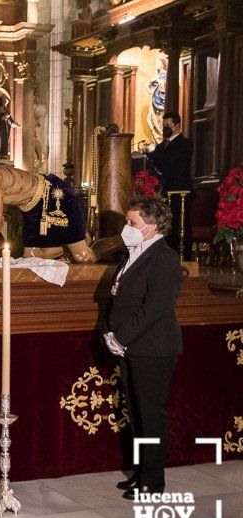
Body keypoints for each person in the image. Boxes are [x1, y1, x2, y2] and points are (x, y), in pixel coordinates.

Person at [104, 197, 182, 499]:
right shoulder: (134, 254)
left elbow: (155, 309)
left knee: (150, 415)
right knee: (136, 414)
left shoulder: (164, 258)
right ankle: (140, 473)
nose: (126, 227)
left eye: (132, 223)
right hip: (129, 347)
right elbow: (118, 299)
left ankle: (153, 482)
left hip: (154, 348)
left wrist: (121, 338)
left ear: (150, 227)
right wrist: (110, 334)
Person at [144, 111, 194, 259]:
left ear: (177, 126)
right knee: (165, 224)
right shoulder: (161, 146)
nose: (165, 128)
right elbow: (155, 162)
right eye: (163, 125)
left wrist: (155, 155)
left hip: (180, 191)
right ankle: (165, 255)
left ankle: (183, 255)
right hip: (165, 191)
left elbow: (173, 162)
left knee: (180, 223)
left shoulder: (185, 144)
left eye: (168, 125)